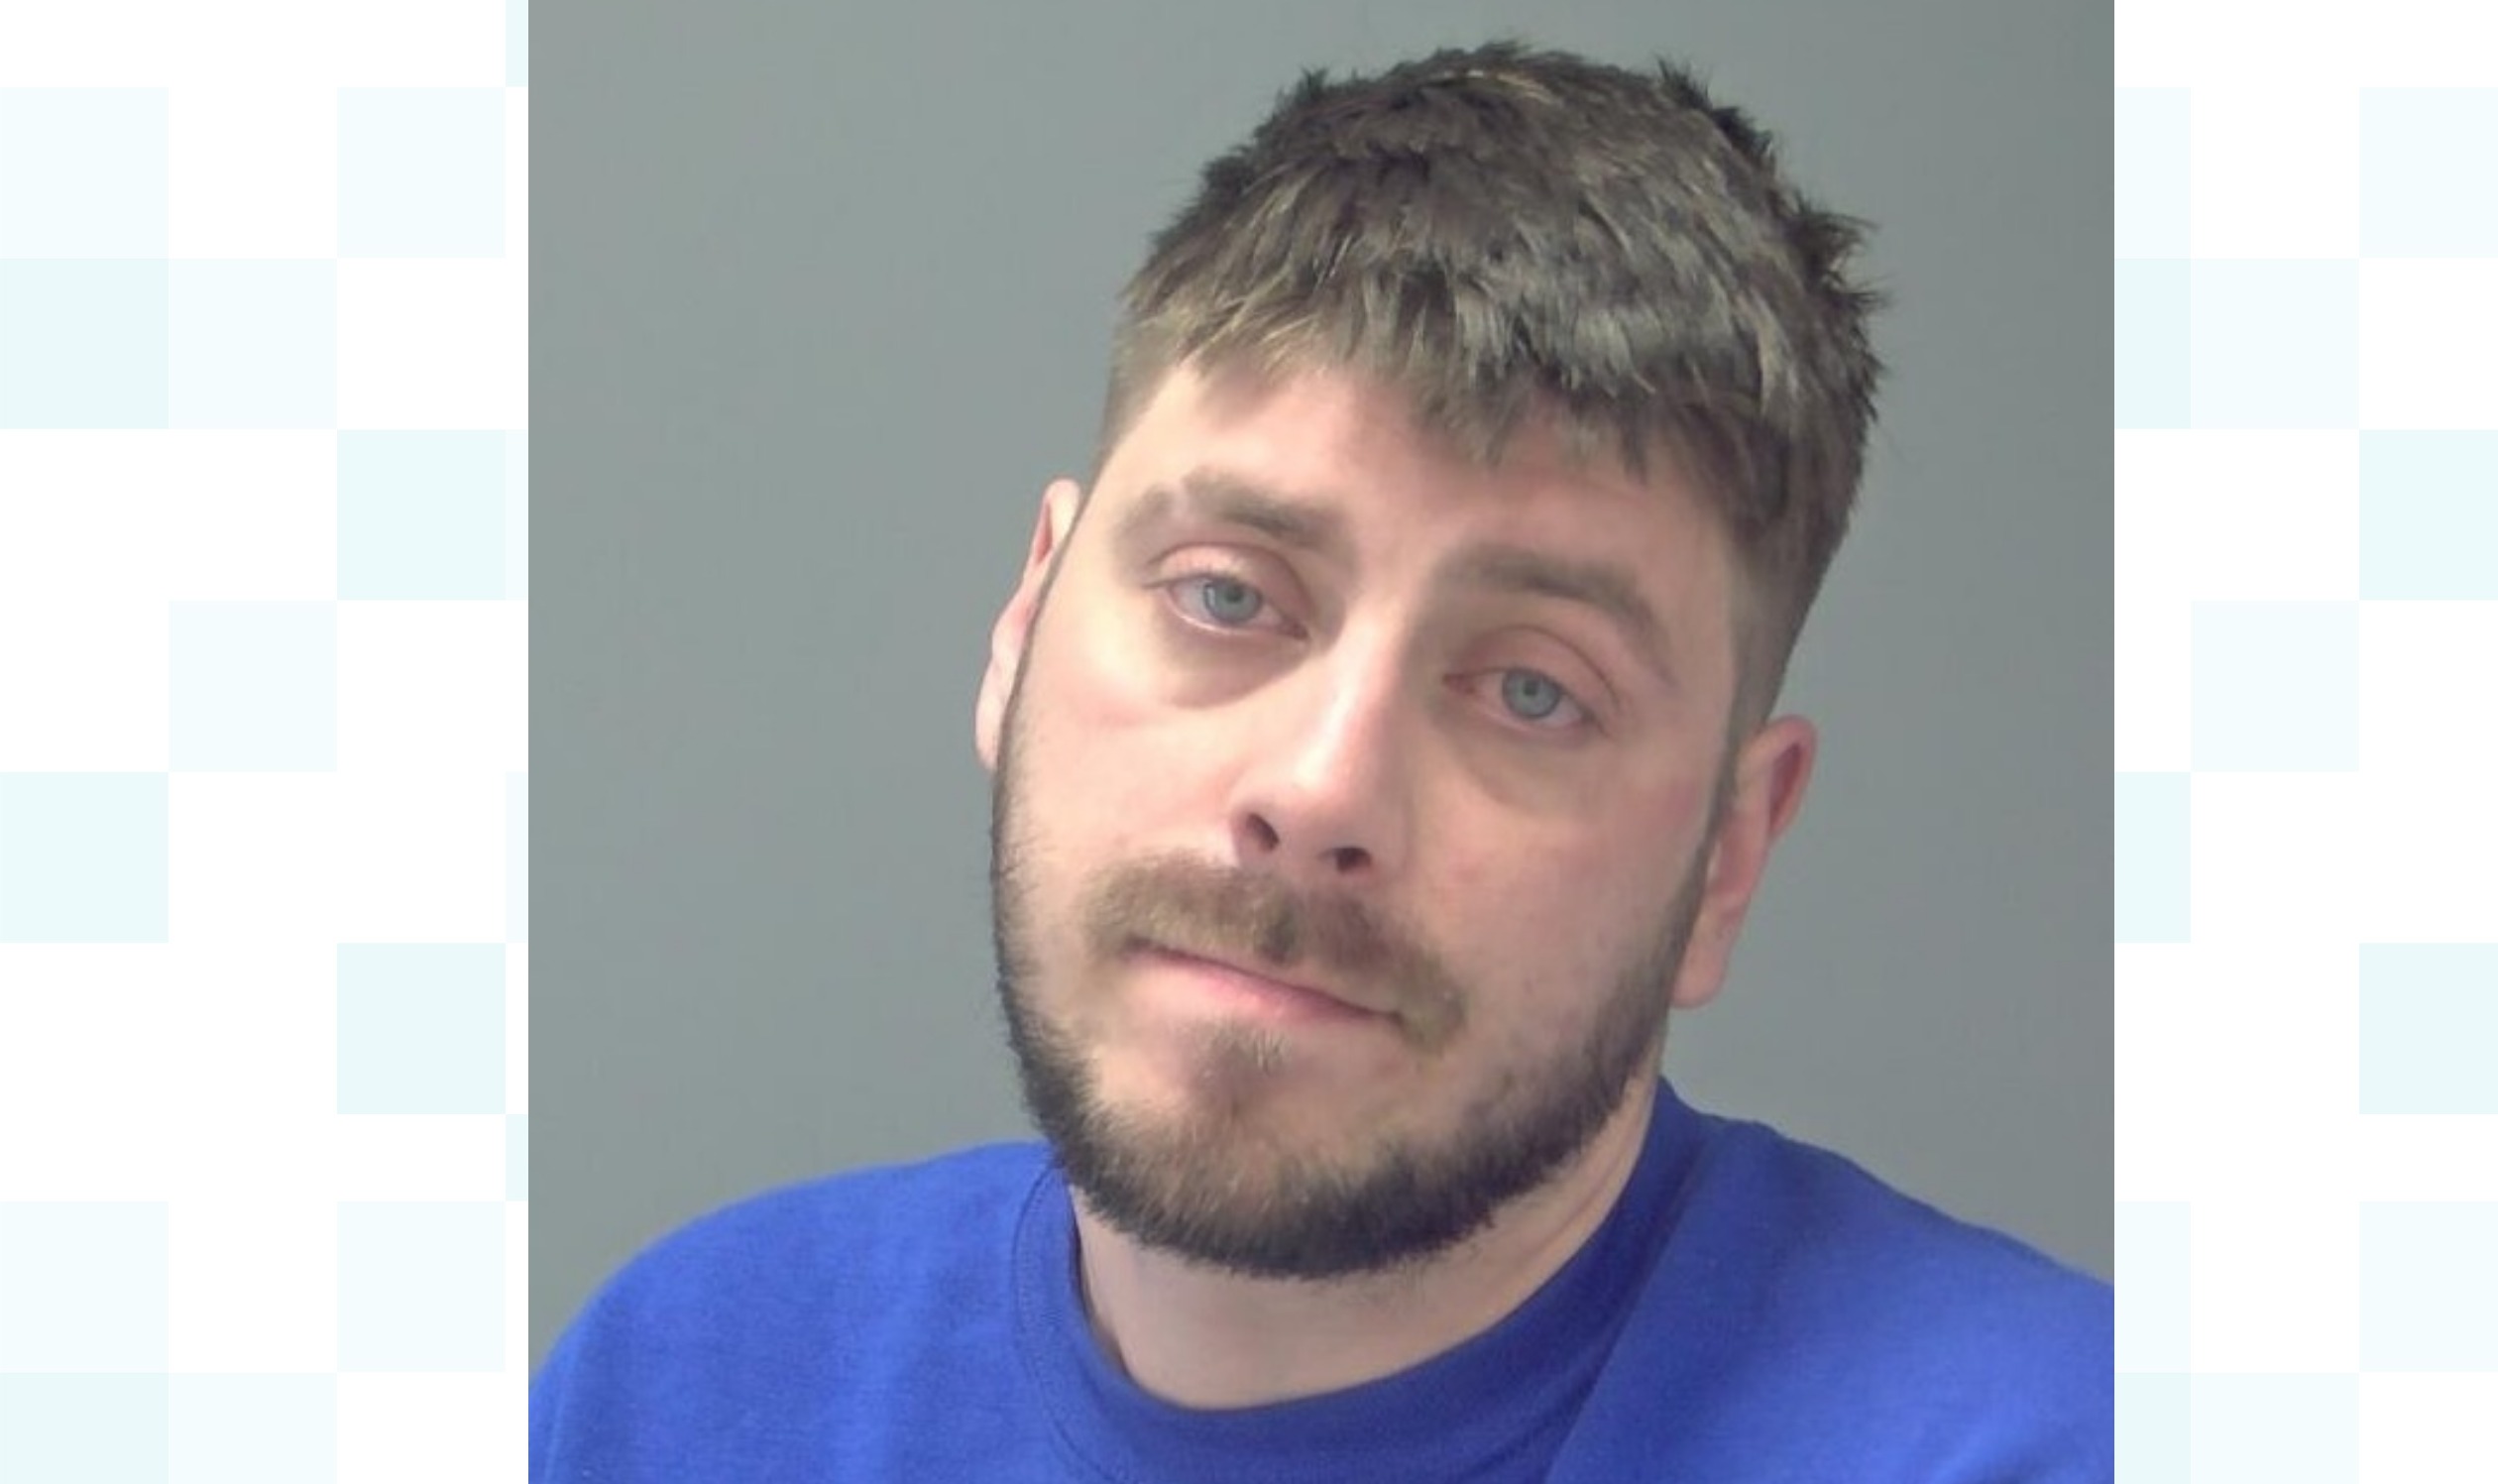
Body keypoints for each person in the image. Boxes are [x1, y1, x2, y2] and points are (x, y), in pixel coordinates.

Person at [531, 42, 2108, 1483]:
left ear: (1727, 855)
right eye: (1225, 596)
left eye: (1533, 690)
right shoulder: (675, 1388)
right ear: (1024, 620)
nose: (1318, 787)